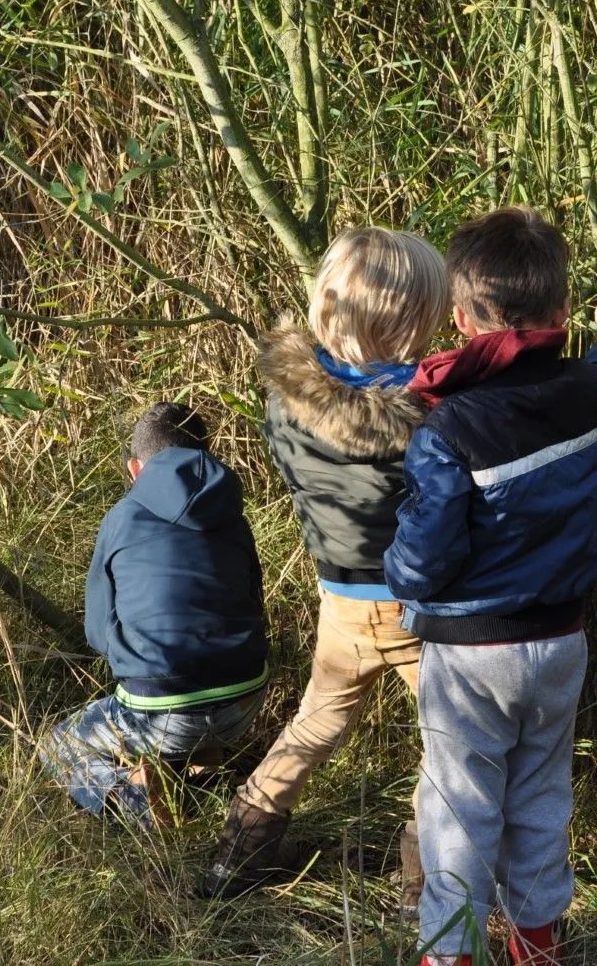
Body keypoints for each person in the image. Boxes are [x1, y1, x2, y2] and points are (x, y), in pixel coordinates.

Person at [384, 208, 597, 965]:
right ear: (563, 312)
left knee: (458, 810)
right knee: (541, 798)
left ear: (462, 316)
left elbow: (427, 553)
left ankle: (450, 954)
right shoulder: (587, 394)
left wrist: (398, 583)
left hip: (471, 654)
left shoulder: (452, 427)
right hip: (561, 643)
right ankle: (536, 946)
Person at [201, 227, 450, 903]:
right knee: (451, 738)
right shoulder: (425, 416)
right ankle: (422, 881)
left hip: (339, 594)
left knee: (319, 719)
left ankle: (238, 853)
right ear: (404, 321)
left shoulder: (288, 396)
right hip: (412, 605)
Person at [39, 402, 270, 826]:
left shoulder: (122, 518)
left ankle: (139, 805)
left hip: (162, 710)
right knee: (195, 705)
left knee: (59, 744)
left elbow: (98, 632)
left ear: (134, 468)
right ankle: (202, 772)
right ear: (207, 454)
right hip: (246, 700)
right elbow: (255, 601)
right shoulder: (233, 515)